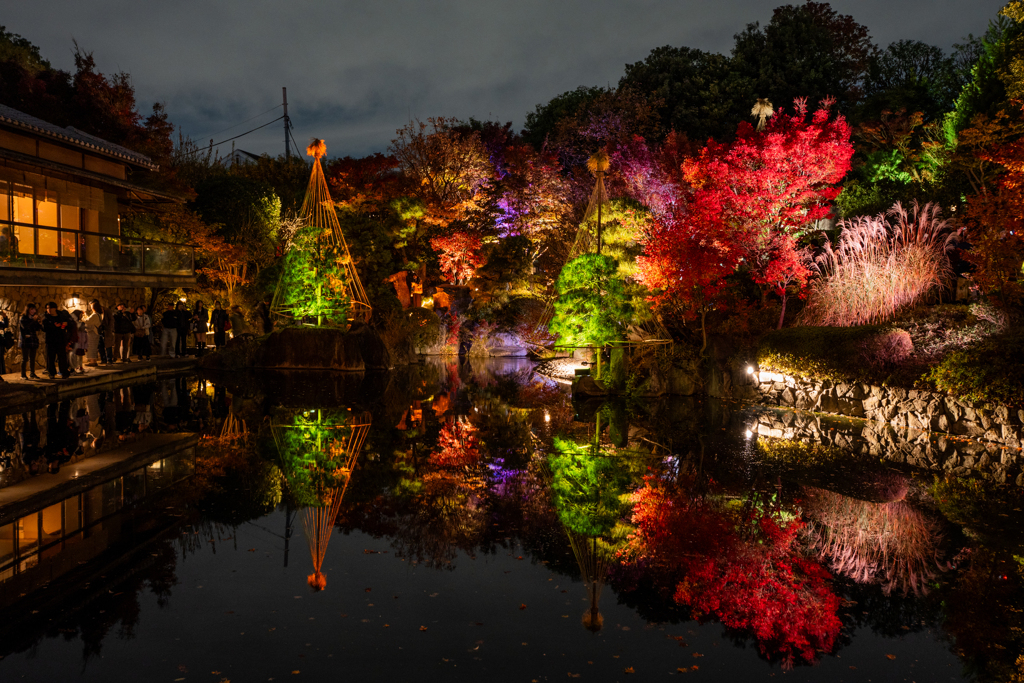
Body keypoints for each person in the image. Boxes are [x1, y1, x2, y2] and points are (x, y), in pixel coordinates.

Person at [41, 301, 73, 379]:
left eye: (50, 308)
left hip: (60, 339)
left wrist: (65, 324)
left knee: (62, 357)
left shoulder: (61, 315)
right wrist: (54, 326)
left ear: (55, 308)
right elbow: (44, 328)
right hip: (50, 340)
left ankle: (64, 372)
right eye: (47, 308)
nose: (49, 310)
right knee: (50, 357)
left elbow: (69, 323)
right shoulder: (46, 317)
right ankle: (51, 373)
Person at [18, 303, 41, 379]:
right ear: (28, 309)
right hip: (25, 340)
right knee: (25, 358)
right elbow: (25, 327)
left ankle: (32, 373)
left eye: (34, 309)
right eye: (31, 309)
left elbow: (37, 328)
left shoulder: (33, 318)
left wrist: (39, 322)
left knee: (32, 358)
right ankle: (23, 374)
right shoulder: (23, 318)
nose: (33, 311)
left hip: (33, 339)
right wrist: (33, 320)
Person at [85, 300, 103, 367]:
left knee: (91, 347)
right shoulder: (98, 314)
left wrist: (83, 315)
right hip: (95, 333)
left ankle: (92, 362)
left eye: (92, 306)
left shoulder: (95, 315)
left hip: (92, 333)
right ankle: (94, 361)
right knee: (94, 347)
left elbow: (87, 321)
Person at [69, 309, 88, 374]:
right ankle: (75, 367)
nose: (81, 316)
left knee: (79, 355)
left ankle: (80, 367)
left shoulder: (78, 322)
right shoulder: (76, 322)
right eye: (80, 315)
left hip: (80, 341)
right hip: (77, 341)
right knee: (75, 355)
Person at [0, 311, 11, 375]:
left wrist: (5, 317)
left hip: (0, 342)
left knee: (1, 357)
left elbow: (5, 325)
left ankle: (1, 372)